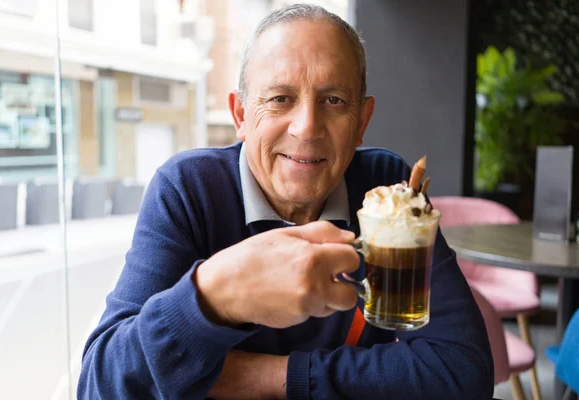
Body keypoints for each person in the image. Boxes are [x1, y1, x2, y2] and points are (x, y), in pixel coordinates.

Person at [78, 4, 494, 399]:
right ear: (240, 115)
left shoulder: (387, 190)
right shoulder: (190, 190)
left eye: (334, 100)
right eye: (280, 98)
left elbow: (461, 370)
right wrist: (217, 295)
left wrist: (264, 377)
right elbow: (102, 385)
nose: (307, 126)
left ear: (362, 121)